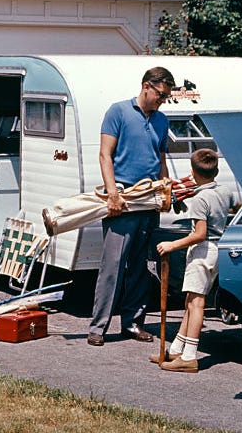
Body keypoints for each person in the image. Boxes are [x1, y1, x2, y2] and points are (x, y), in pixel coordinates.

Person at [88, 66, 174, 346]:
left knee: (140, 266)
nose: (162, 101)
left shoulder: (162, 120)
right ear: (147, 86)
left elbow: (160, 158)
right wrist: (112, 194)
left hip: (148, 200)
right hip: (123, 199)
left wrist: (166, 189)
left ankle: (133, 323)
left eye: (166, 98)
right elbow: (105, 155)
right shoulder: (119, 112)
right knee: (112, 265)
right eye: (161, 95)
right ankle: (98, 327)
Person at [153, 148, 239, 372]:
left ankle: (190, 356)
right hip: (217, 249)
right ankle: (176, 350)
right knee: (190, 301)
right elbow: (237, 207)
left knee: (197, 302)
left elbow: (199, 233)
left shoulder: (200, 199)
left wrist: (172, 245)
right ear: (217, 171)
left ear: (192, 172)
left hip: (202, 251)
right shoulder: (224, 190)